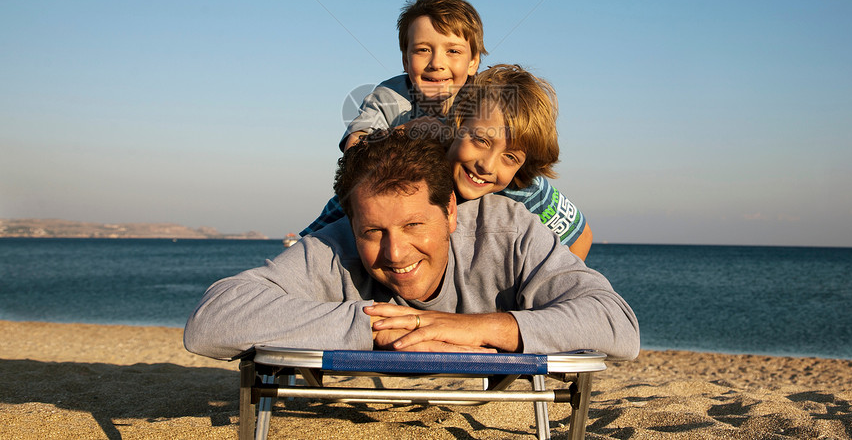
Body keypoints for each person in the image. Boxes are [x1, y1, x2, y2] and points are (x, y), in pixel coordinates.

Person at [184, 130, 639, 360]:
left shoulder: (507, 229)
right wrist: (384, 328)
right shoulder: (336, 243)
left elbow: (616, 324)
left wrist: (473, 328)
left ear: (450, 213)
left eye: (414, 225)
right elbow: (212, 322)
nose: (395, 253)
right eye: (373, 232)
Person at [305, 64, 594, 259]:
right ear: (454, 126)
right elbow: (319, 232)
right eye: (480, 140)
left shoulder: (525, 187)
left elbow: (581, 238)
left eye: (510, 157)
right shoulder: (416, 168)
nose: (487, 166)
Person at [341, 0, 484, 151]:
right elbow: (353, 149)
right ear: (406, 61)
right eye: (423, 50)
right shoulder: (389, 96)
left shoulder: (484, 100)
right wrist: (406, 131)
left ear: (473, 62)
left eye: (453, 51)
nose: (436, 63)